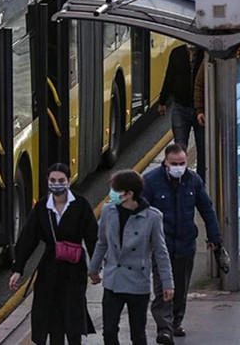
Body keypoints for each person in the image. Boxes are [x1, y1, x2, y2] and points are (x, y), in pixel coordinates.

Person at [10, 163, 99, 345]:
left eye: (61, 180)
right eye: (53, 180)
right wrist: (18, 268)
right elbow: (28, 239)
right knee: (52, 319)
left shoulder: (81, 205)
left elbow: (92, 238)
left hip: (75, 269)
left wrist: (95, 267)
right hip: (49, 269)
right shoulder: (42, 207)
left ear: (68, 181)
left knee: (73, 316)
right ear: (47, 181)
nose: (57, 184)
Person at [142, 144, 222, 344]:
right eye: (174, 164)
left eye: (182, 163)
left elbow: (207, 209)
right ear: (165, 163)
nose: (179, 167)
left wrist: (214, 237)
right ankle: (165, 327)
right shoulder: (151, 182)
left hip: (186, 244)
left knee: (180, 287)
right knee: (163, 288)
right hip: (161, 246)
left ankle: (176, 322)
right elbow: (141, 214)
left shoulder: (193, 181)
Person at [88, 170, 174, 345]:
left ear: (129, 194)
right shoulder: (108, 211)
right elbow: (102, 242)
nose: (111, 194)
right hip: (113, 281)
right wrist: (93, 268)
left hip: (138, 283)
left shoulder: (152, 217)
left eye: (115, 190)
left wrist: (167, 283)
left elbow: (161, 252)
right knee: (109, 331)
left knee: (138, 334)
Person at [158, 44, 206, 179]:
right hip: (180, 107)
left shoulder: (205, 54)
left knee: (203, 149)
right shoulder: (176, 53)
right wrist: (162, 101)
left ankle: (200, 182)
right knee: (179, 147)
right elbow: (169, 77)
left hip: (201, 110)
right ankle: (180, 180)